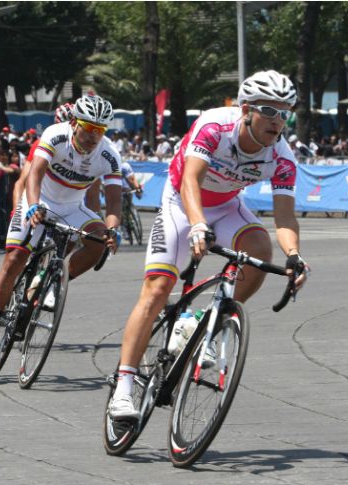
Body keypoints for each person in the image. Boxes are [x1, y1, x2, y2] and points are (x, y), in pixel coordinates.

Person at [107, 70, 311, 420]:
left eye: (285, 113)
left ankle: (204, 320)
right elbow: (190, 179)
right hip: (182, 202)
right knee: (157, 290)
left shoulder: (282, 158)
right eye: (269, 110)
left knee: (262, 250)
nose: (278, 121)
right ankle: (124, 387)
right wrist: (197, 223)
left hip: (227, 206)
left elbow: (284, 218)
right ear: (246, 109)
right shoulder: (214, 125)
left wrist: (294, 256)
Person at [0, 94, 123, 357]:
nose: (93, 136)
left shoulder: (109, 154)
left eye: (100, 130)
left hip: (72, 207)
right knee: (14, 259)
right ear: (75, 123)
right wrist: (33, 205)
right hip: (40, 199)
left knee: (99, 242)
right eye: (89, 128)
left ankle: (57, 279)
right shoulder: (56, 135)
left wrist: (112, 229)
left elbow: (114, 201)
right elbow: (34, 174)